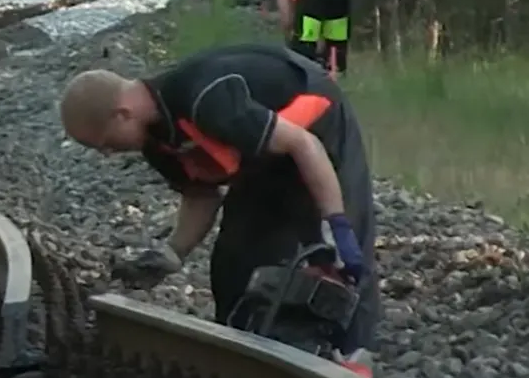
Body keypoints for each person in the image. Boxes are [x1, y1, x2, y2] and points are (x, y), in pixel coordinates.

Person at [57, 43, 378, 376]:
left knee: (341, 264)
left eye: (106, 144)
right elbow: (202, 194)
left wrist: (336, 225)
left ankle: (350, 362)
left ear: (122, 113)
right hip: (263, 155)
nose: (109, 154)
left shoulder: (206, 98)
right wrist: (172, 253)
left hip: (317, 136)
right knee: (235, 262)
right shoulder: (156, 141)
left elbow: (303, 144)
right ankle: (244, 358)